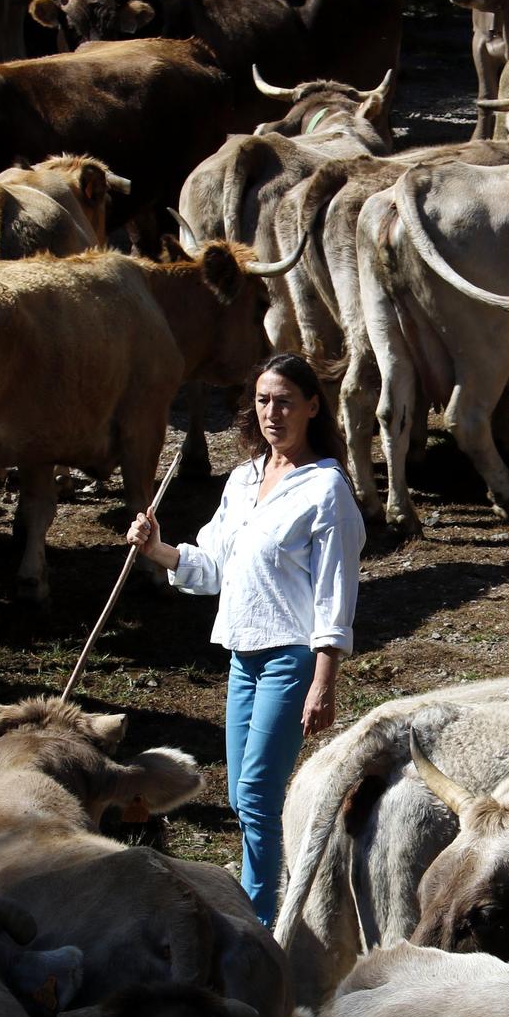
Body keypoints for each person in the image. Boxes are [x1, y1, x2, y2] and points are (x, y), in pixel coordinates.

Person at [127, 353, 363, 926]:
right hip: (241, 656)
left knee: (256, 794)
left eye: (284, 400)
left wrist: (323, 682)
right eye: (262, 400)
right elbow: (213, 565)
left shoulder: (327, 489)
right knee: (241, 796)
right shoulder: (243, 479)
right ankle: (270, 898)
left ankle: (259, 921)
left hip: (290, 658)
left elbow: (336, 594)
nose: (271, 412)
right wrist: (158, 549)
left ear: (312, 406)